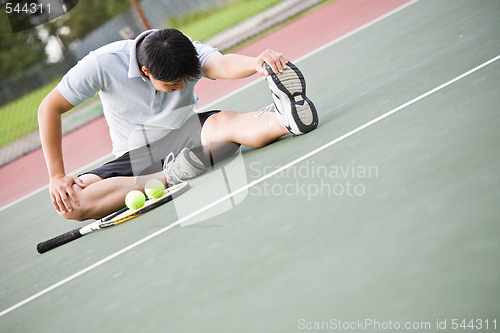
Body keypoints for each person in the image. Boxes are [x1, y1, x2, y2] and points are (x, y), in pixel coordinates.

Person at [38, 28, 318, 221]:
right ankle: (168, 177)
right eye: (173, 84)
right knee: (69, 205)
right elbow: (49, 107)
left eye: (185, 79)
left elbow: (221, 64)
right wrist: (56, 176)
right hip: (133, 157)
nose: (182, 86)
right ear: (146, 72)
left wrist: (256, 63)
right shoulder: (102, 63)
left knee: (225, 123)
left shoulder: (188, 52)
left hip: (188, 134)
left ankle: (286, 119)